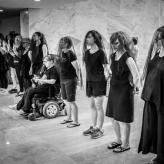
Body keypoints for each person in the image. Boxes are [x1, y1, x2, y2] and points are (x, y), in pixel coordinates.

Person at [106, 31, 140, 153]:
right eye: (112, 43)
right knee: (113, 118)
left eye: (116, 43)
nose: (114, 45)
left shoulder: (127, 57)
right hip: (114, 90)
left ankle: (126, 144)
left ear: (122, 42)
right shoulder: (112, 56)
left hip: (124, 91)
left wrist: (132, 86)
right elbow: (111, 72)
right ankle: (118, 140)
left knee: (123, 120)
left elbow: (136, 75)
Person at [138, 26, 164, 164]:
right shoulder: (157, 53)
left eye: (158, 39)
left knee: (162, 128)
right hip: (152, 97)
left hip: (162, 99)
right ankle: (159, 154)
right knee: (155, 128)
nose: (155, 42)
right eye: (155, 39)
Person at [82, 30, 109, 139]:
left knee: (98, 106)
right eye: (86, 37)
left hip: (99, 82)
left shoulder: (101, 52)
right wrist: (84, 82)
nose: (87, 39)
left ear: (95, 39)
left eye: (89, 37)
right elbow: (86, 69)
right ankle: (93, 126)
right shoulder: (86, 53)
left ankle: (99, 128)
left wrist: (108, 81)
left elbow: (107, 68)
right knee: (92, 106)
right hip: (90, 82)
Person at [58, 36, 81, 128]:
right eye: (60, 42)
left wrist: (78, 80)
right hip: (63, 79)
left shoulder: (71, 54)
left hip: (70, 79)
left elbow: (77, 68)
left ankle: (76, 121)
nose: (60, 43)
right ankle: (69, 118)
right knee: (65, 100)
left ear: (67, 43)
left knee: (72, 101)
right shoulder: (61, 53)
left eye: (62, 42)